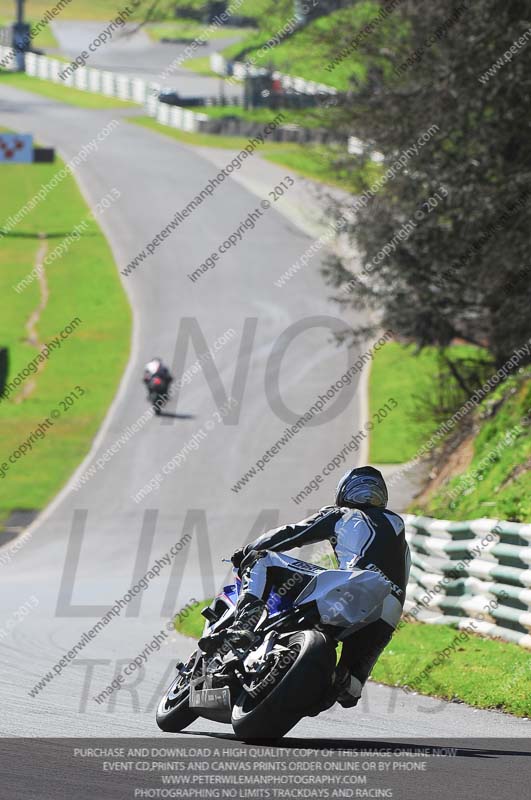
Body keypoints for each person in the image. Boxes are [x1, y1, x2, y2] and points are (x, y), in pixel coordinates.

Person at [199, 466, 410, 709]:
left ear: (346, 491)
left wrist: (248, 550)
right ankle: (334, 680)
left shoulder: (344, 514)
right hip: (388, 612)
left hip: (353, 586)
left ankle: (244, 625)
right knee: (349, 688)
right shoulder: (400, 531)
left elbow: (292, 534)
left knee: (262, 559)